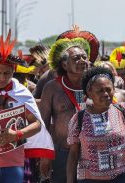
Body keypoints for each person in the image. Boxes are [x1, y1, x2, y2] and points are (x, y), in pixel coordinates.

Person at [0, 31, 54, 183]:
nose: (2, 78)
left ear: (14, 71)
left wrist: (17, 134)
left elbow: (37, 124)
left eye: (7, 73)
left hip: (14, 165)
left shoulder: (21, 93)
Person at [40, 30, 98, 182]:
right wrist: (45, 155)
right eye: (76, 58)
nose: (82, 61)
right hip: (61, 152)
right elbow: (43, 123)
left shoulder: (97, 87)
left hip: (91, 152)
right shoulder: (52, 88)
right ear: (64, 64)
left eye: (84, 57)